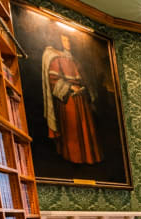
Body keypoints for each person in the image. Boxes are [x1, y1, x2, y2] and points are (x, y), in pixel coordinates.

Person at [41, 34, 103, 164]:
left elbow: (84, 79)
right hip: (68, 100)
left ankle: (89, 158)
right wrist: (70, 87)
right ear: (60, 42)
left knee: (86, 128)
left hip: (81, 100)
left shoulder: (75, 60)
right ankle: (74, 159)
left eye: (69, 40)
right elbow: (53, 80)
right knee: (72, 129)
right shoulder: (56, 58)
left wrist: (85, 88)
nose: (67, 42)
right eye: (64, 40)